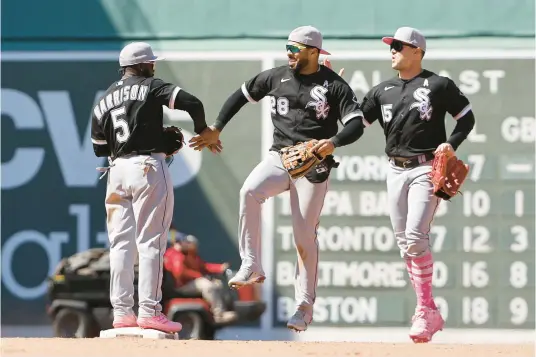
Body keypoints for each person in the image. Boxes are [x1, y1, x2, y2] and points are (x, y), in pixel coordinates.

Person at [189, 26, 367, 332]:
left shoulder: (333, 85)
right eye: (288, 47)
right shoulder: (276, 76)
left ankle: (304, 306)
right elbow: (240, 96)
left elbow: (356, 124)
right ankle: (251, 264)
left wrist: (332, 143)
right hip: (280, 157)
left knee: (303, 237)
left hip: (313, 164)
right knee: (249, 191)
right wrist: (217, 126)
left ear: (313, 52)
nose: (289, 53)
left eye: (295, 49)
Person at [327, 27, 476, 343]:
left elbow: (466, 118)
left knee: (414, 236)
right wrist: (334, 91)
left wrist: (451, 144)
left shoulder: (438, 85)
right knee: (405, 243)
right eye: (391, 46)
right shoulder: (382, 90)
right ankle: (431, 310)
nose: (392, 50)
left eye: (398, 45)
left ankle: (424, 309)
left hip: (425, 168)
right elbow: (355, 125)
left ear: (417, 51)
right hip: (394, 170)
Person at [90, 42, 220, 333]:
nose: (154, 67)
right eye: (151, 63)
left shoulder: (105, 98)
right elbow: (193, 103)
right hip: (147, 168)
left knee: (121, 245)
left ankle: (122, 313)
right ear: (143, 66)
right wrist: (202, 131)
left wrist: (143, 137)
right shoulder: (150, 86)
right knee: (151, 243)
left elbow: (100, 148)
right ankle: (150, 311)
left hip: (115, 171)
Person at [163, 234, 238, 323]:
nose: (186, 244)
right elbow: (180, 273)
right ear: (177, 243)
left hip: (187, 282)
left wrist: (219, 267)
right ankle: (219, 315)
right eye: (183, 242)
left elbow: (203, 266)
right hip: (182, 285)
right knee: (209, 286)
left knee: (217, 285)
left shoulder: (186, 254)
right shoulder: (175, 254)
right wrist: (198, 275)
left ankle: (220, 310)